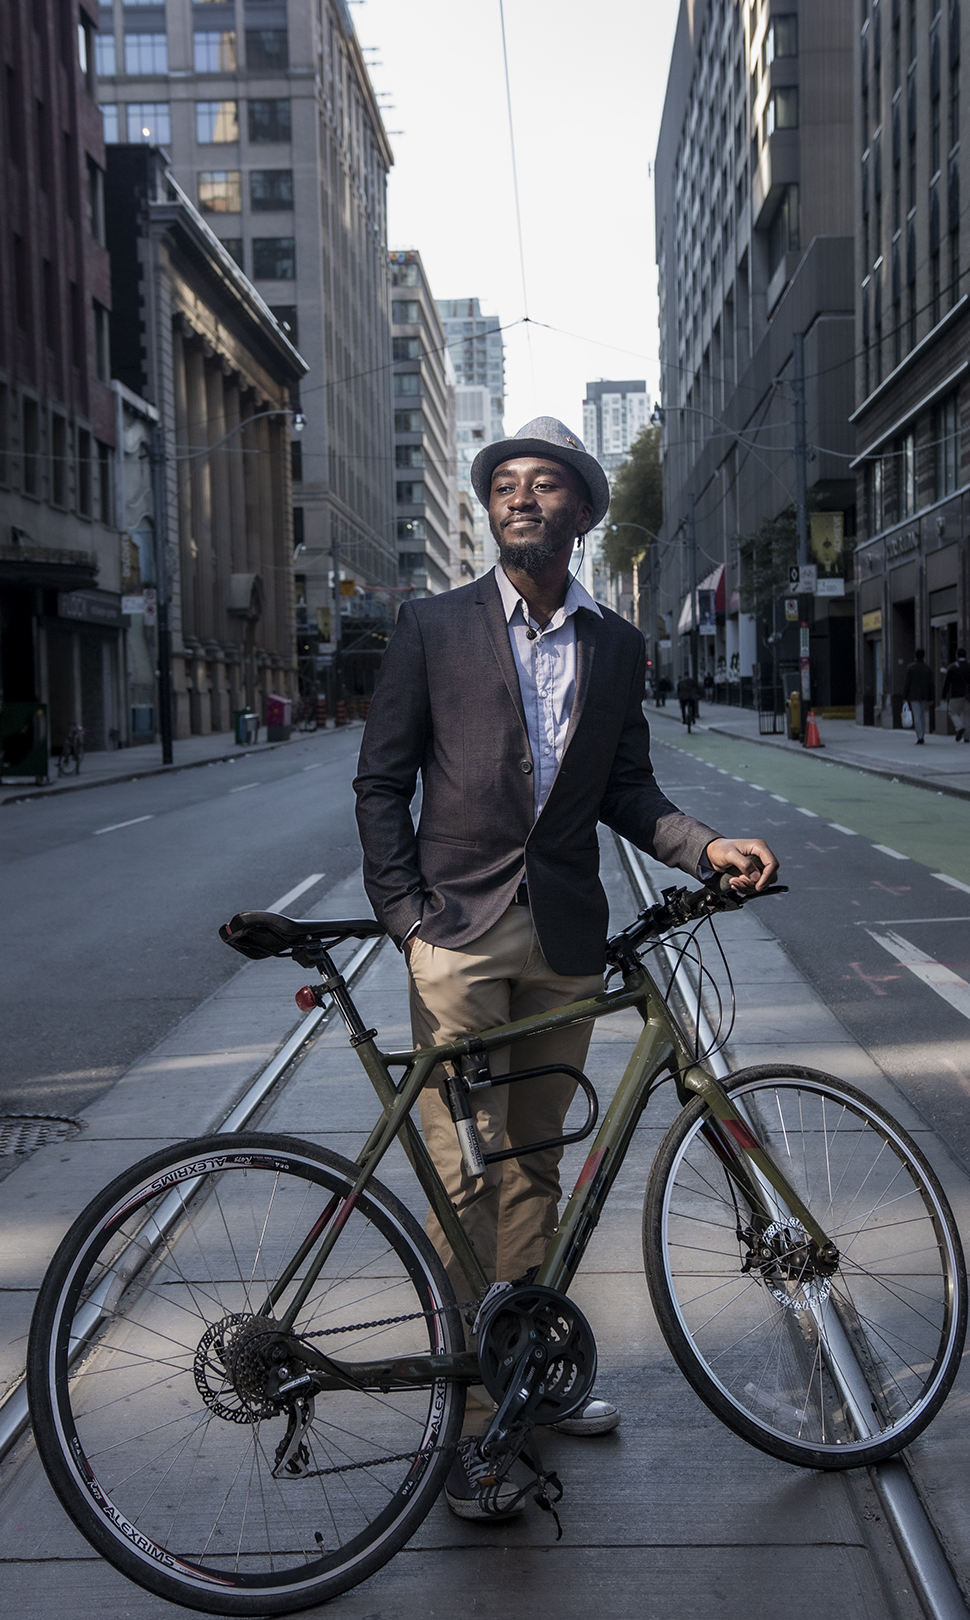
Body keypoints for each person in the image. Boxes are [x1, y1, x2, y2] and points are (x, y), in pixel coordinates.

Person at [354, 417, 778, 1521]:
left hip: (565, 941)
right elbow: (380, 782)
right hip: (457, 934)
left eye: (545, 484)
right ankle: (466, 1408)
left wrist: (703, 845)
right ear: (491, 510)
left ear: (582, 514)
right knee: (461, 1180)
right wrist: (408, 921)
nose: (520, 497)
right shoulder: (431, 625)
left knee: (535, 1168)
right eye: (505, 484)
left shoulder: (618, 645)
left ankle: (525, 1385)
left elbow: (628, 790)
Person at [941, 647, 970, 742]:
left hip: (956, 695)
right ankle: (967, 737)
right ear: (966, 656)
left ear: (957, 656)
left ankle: (959, 727)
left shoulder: (952, 668)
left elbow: (947, 683)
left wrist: (944, 695)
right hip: (969, 695)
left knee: (952, 711)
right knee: (967, 715)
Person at [902, 649, 935, 744]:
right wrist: (931, 697)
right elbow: (931, 684)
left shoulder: (910, 668)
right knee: (922, 715)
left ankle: (919, 736)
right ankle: (922, 735)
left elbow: (907, 683)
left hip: (914, 695)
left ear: (915, 655)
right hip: (925, 695)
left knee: (916, 715)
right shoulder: (927, 668)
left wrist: (904, 697)